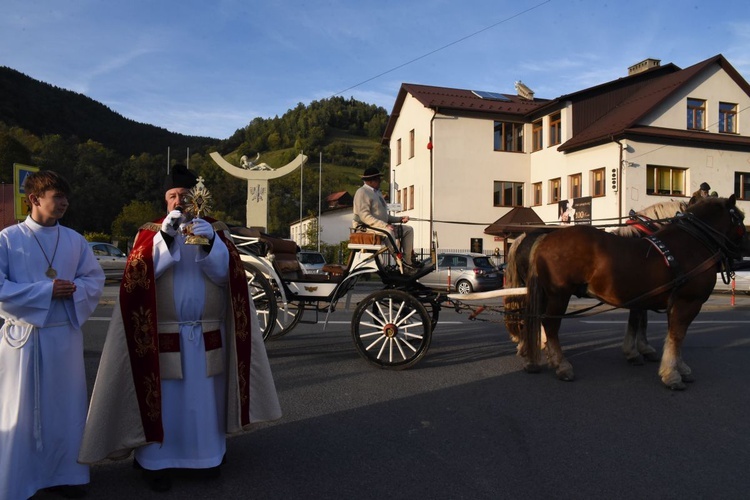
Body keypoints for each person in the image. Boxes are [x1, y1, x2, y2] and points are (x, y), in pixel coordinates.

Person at [78, 164, 281, 492]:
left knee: (204, 400)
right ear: (165, 200)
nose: (178, 202)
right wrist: (165, 239)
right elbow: (137, 277)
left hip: (205, 333)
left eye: (184, 196)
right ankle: (155, 463)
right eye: (172, 196)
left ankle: (207, 457)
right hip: (162, 334)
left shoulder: (215, 230)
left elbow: (229, 279)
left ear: (196, 199)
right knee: (164, 400)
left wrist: (209, 243)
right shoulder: (150, 231)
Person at [0, 170, 105, 499]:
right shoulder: (7, 239)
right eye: (57, 197)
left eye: (65, 197)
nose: (64, 203)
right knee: (21, 408)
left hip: (64, 341)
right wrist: (45, 291)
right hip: (24, 339)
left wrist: (74, 290)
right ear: (34, 199)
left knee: (65, 409)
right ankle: (19, 479)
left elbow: (95, 278)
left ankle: (67, 475)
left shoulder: (75, 240)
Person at [352, 167, 415, 268]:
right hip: (364, 227)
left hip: (378, 227)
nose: (380, 182)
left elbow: (384, 216)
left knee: (408, 230)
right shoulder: (362, 192)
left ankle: (408, 262)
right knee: (388, 232)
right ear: (371, 181)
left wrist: (399, 219)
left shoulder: (377, 193)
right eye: (378, 179)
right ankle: (400, 262)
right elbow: (365, 216)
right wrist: (385, 225)